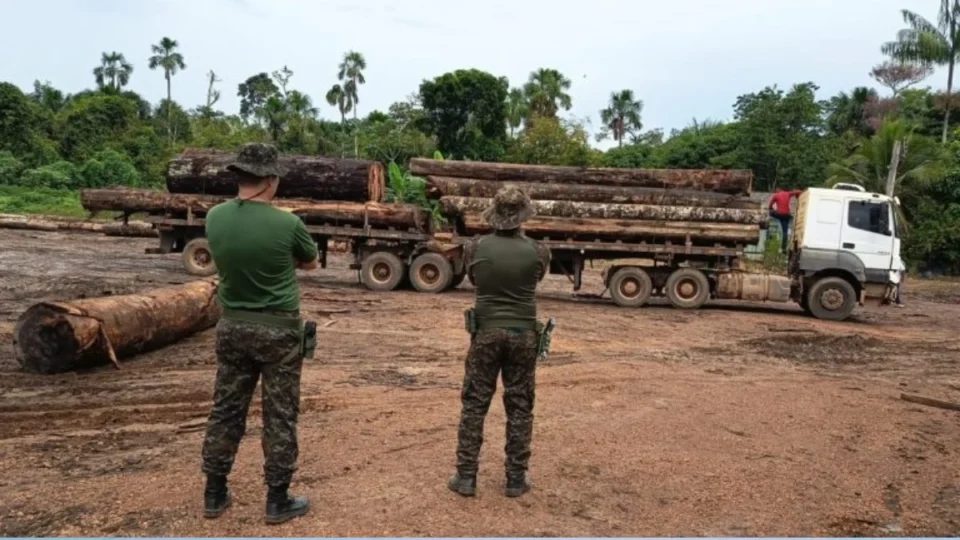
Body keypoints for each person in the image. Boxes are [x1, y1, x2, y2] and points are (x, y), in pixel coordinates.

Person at [200, 143, 319, 525]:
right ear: (270, 180)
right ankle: (277, 499)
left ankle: (215, 492)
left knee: (226, 410)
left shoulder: (214, 218)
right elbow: (312, 263)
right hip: (279, 331)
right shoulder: (289, 223)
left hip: (232, 326)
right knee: (280, 415)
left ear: (239, 176)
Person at [447, 185, 552, 499]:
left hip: (486, 334)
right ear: (522, 216)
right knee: (520, 408)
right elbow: (536, 280)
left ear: (495, 213)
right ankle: (516, 479)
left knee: (474, 405)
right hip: (523, 336)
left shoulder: (474, 247)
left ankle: (466, 477)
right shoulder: (539, 251)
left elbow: (475, 281)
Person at [768, 188, 803, 253]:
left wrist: (772, 210)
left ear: (777, 191)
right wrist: (797, 196)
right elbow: (798, 191)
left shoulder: (776, 195)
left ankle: (768, 219)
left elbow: (770, 206)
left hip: (779, 214)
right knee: (785, 233)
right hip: (786, 215)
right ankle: (783, 249)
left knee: (770, 212)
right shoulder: (788, 193)